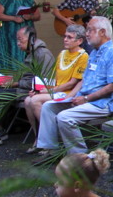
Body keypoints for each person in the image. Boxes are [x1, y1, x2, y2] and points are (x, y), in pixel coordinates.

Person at [36, 16, 113, 155]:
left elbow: (112, 87)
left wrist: (85, 99)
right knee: (49, 107)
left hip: (102, 104)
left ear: (102, 32)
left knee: (64, 117)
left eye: (90, 30)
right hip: (85, 99)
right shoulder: (95, 52)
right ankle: (50, 150)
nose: (87, 34)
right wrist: (72, 97)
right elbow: (83, 81)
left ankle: (79, 157)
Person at [0, 25, 55, 149]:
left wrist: (16, 83)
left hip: (32, 91)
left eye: (20, 40)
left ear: (31, 39)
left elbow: (43, 81)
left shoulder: (42, 54)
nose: (17, 43)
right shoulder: (31, 52)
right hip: (24, 88)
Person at [24, 24, 89, 154]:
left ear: (79, 41)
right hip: (57, 90)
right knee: (27, 100)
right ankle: (39, 138)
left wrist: (51, 91)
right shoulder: (62, 53)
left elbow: (72, 83)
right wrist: (40, 89)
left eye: (69, 37)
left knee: (36, 101)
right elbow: (55, 77)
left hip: (66, 93)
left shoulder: (83, 56)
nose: (65, 39)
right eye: (65, 36)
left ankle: (52, 142)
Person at [0, 0, 41, 70]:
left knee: (25, 54)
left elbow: (38, 16)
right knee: (10, 53)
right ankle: (10, 79)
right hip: (9, 34)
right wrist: (13, 18)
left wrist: (30, 17)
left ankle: (26, 76)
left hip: (26, 33)